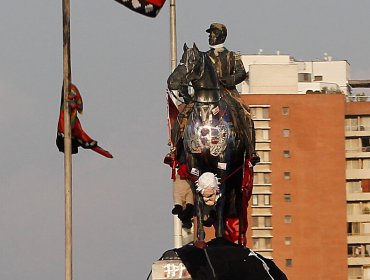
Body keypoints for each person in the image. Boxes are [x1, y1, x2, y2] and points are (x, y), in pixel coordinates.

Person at [206, 23, 258, 160]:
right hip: (208, 92)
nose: (210, 36)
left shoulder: (232, 56)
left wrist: (229, 80)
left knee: (245, 113)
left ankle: (251, 150)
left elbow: (241, 73)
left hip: (227, 91)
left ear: (221, 35)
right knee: (186, 113)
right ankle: (176, 149)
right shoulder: (203, 57)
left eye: (213, 33)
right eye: (210, 33)